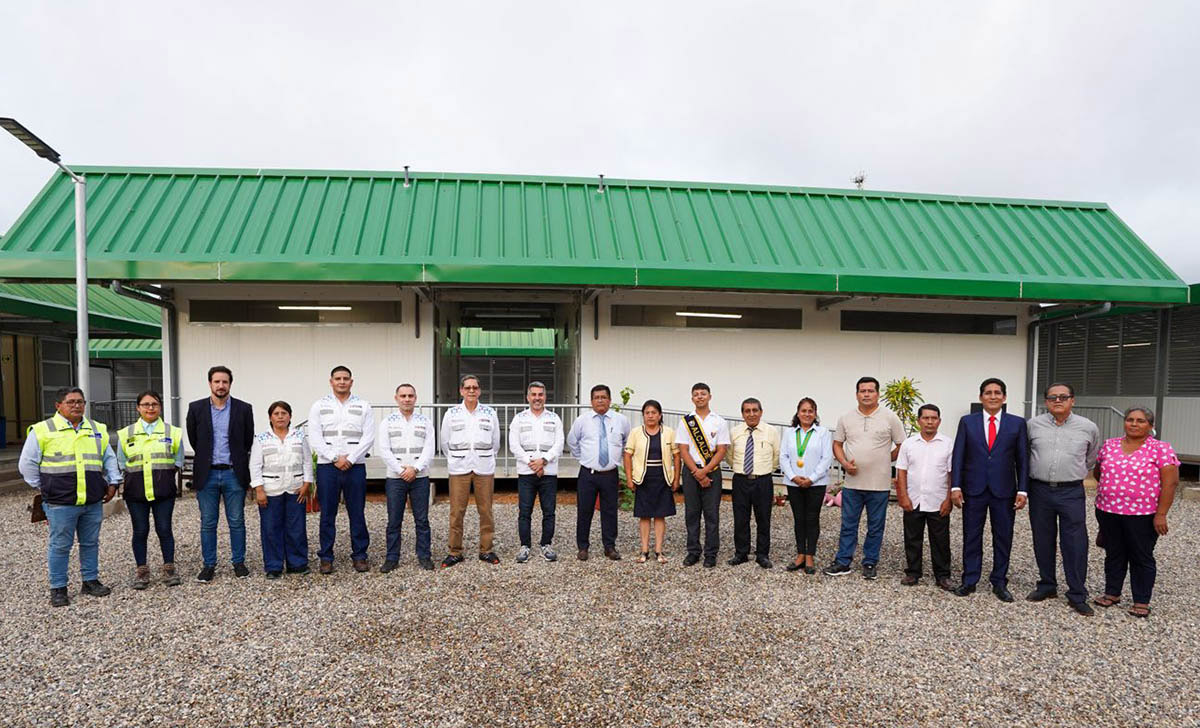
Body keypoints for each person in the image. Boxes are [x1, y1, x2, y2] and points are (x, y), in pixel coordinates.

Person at [19, 386, 121, 607]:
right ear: (58, 406)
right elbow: (26, 465)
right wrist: (46, 486)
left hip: (92, 500)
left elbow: (108, 458)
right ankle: (58, 588)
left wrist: (114, 481)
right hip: (60, 502)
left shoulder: (97, 429)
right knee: (60, 545)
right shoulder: (43, 430)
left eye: (80, 402)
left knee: (90, 543)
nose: (77, 405)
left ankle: (90, 581)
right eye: (71, 402)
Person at [1091, 407, 1180, 619]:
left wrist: (1161, 514)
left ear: (1150, 426)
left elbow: (1170, 484)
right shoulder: (1110, 445)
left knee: (1141, 556)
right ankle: (1112, 593)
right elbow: (1098, 471)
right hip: (1108, 511)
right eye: (1130, 419)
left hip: (1143, 515)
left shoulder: (1161, 449)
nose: (1134, 424)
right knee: (1114, 553)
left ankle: (1141, 600)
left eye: (1140, 421)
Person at [1025, 382, 1101, 616]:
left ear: (1072, 400)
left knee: (1075, 542)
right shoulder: (1032, 425)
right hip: (1040, 490)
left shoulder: (1088, 427)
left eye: (1063, 397)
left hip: (1071, 491)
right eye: (1052, 397)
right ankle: (1047, 585)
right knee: (1042, 538)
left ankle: (1077, 593)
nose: (1058, 401)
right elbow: (1026, 453)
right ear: (1046, 401)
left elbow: (1091, 458)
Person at [950, 377, 1029, 602]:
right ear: (981, 397)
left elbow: (1023, 460)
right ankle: (970, 579)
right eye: (988, 393)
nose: (992, 396)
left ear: (1004, 397)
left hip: (1004, 490)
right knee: (971, 535)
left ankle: (999, 581)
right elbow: (958, 456)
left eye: (997, 393)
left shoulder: (1017, 423)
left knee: (1003, 537)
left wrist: (1023, 490)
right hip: (973, 489)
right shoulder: (967, 422)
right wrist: (956, 486)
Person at [826, 377, 905, 580]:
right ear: (856, 394)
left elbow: (902, 445)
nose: (867, 394)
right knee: (848, 524)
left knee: (876, 526)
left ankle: (870, 562)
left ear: (878, 394)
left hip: (879, 484)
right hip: (852, 484)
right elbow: (837, 444)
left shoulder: (890, 417)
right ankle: (843, 561)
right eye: (863, 391)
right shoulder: (846, 418)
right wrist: (844, 463)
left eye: (871, 390)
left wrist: (885, 460)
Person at [186, 365, 256, 583]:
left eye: (224, 382)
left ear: (230, 384)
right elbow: (194, 439)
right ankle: (209, 565)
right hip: (207, 474)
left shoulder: (243, 409)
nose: (221, 385)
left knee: (236, 520)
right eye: (217, 381)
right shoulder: (196, 408)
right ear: (210, 383)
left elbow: (247, 441)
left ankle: (238, 562)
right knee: (208, 522)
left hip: (233, 473)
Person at [308, 365, 376, 574]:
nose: (342, 382)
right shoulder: (319, 406)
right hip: (328, 467)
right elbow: (315, 436)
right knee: (328, 513)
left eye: (346, 378)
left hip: (355, 467)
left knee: (357, 512)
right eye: (338, 378)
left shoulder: (363, 406)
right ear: (331, 381)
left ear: (351, 382)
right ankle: (326, 557)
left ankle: (360, 555)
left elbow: (368, 436)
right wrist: (334, 457)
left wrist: (352, 458)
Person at [117, 390, 184, 589]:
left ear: (160, 407)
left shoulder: (172, 432)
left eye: (154, 404)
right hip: (136, 493)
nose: (150, 408)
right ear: (138, 408)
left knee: (164, 529)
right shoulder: (126, 433)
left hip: (163, 492)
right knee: (140, 531)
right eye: (145, 404)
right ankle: (142, 571)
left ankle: (169, 568)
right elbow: (121, 462)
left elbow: (178, 460)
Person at [439, 375, 501, 567]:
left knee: (486, 511)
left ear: (480, 391)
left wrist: (484, 457)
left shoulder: (490, 413)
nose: (471, 391)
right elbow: (444, 442)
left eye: (475, 388)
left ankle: (486, 550)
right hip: (459, 468)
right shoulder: (451, 414)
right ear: (461, 391)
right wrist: (458, 458)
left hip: (483, 468)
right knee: (457, 512)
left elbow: (496, 443)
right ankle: (455, 551)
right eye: (468, 388)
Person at [567, 384, 631, 562]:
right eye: (597, 397)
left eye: (604, 397)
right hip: (588, 474)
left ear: (610, 400)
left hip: (610, 474)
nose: (600, 400)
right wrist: (585, 459)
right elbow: (572, 441)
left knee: (610, 511)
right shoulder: (582, 420)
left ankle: (609, 546)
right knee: (584, 510)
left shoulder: (621, 420)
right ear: (591, 401)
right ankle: (583, 547)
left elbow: (626, 442)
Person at [894, 404, 954, 591]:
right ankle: (913, 572)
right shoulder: (909, 444)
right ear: (919, 420)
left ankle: (943, 575)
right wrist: (903, 496)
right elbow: (901, 471)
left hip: (938, 500)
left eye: (933, 418)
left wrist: (948, 499)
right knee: (912, 538)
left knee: (941, 540)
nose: (930, 422)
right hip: (914, 499)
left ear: (939, 421)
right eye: (926, 418)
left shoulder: (948, 443)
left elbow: (952, 473)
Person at [250, 401, 313, 579]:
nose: (280, 416)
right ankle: (274, 566)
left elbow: (307, 461)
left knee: (296, 528)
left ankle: (297, 563)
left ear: (290, 416)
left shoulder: (299, 436)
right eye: (276, 413)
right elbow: (255, 465)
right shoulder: (261, 439)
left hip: (295, 489)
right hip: (271, 491)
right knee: (271, 529)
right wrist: (259, 490)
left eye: (284, 413)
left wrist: (307, 484)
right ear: (270, 417)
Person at [377, 383, 436, 572]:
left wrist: (416, 468)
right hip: (395, 477)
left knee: (422, 519)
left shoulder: (425, 421)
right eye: (403, 396)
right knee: (394, 520)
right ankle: (392, 558)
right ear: (396, 399)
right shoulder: (387, 422)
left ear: (415, 398)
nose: (407, 399)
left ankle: (424, 556)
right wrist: (401, 470)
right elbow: (384, 450)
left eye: (410, 396)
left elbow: (429, 448)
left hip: (420, 476)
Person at [508, 381, 564, 563]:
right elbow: (514, 444)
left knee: (549, 511)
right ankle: (525, 546)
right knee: (525, 511)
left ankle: (546, 545)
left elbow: (559, 443)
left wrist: (544, 461)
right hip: (526, 472)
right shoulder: (519, 418)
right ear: (528, 397)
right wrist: (531, 463)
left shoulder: (554, 418)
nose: (537, 398)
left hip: (548, 472)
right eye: (534, 394)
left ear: (545, 397)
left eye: (540, 394)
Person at [676, 383, 730, 569]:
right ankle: (693, 552)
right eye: (696, 394)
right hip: (691, 471)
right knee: (691, 513)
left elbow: (722, 450)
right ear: (692, 398)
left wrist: (705, 471)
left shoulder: (719, 421)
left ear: (709, 396)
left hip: (712, 471)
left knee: (711, 514)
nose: (700, 397)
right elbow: (683, 449)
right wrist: (697, 473)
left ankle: (711, 553)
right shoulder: (686, 421)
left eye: (703, 394)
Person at [780, 398, 833, 574]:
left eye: (810, 411)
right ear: (798, 413)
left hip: (816, 484)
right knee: (799, 518)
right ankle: (800, 554)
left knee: (812, 518)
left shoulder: (823, 432)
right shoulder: (789, 433)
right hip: (793, 483)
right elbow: (783, 457)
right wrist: (794, 477)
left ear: (815, 413)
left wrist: (811, 478)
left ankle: (810, 555)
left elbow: (827, 458)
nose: (807, 414)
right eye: (804, 411)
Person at [726, 398, 781, 569]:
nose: (751, 414)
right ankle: (741, 553)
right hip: (741, 480)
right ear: (742, 414)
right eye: (747, 411)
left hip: (763, 480)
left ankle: (762, 555)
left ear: (761, 412)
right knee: (740, 518)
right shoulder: (734, 432)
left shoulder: (771, 432)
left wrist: (763, 470)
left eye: (755, 410)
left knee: (763, 518)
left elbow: (776, 457)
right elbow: (729, 456)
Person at [623, 400, 680, 563]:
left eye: (654, 412)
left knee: (660, 515)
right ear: (643, 415)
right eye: (647, 413)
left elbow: (677, 456)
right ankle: (644, 550)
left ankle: (659, 551)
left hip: (662, 478)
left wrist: (676, 478)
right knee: (644, 515)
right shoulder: (636, 432)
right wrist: (629, 477)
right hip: (643, 478)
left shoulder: (669, 432)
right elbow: (627, 455)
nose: (650, 416)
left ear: (660, 415)